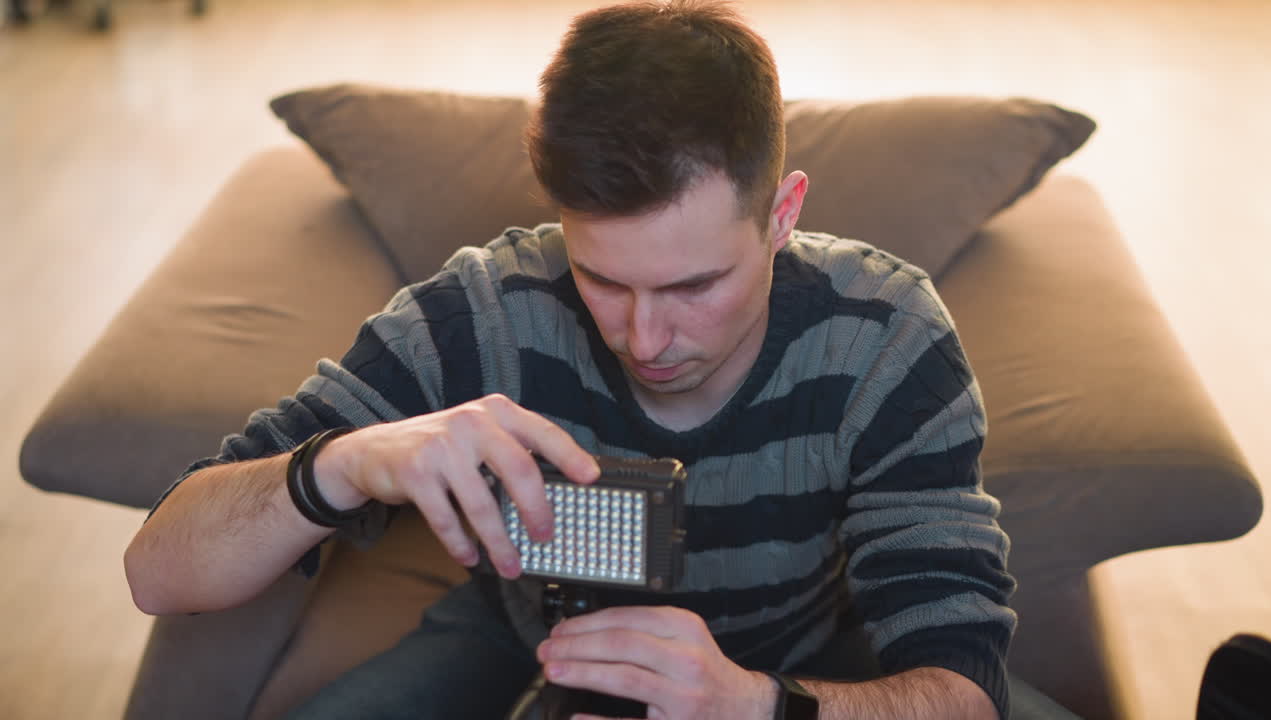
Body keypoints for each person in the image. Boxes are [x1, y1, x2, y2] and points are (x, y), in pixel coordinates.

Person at [125, 2, 1028, 718]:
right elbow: (157, 570)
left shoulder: (885, 336)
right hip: (520, 630)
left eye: (692, 287)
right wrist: (343, 463)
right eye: (602, 280)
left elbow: (962, 688)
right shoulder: (481, 310)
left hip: (797, 659)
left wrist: (752, 705)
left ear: (783, 213)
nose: (645, 341)